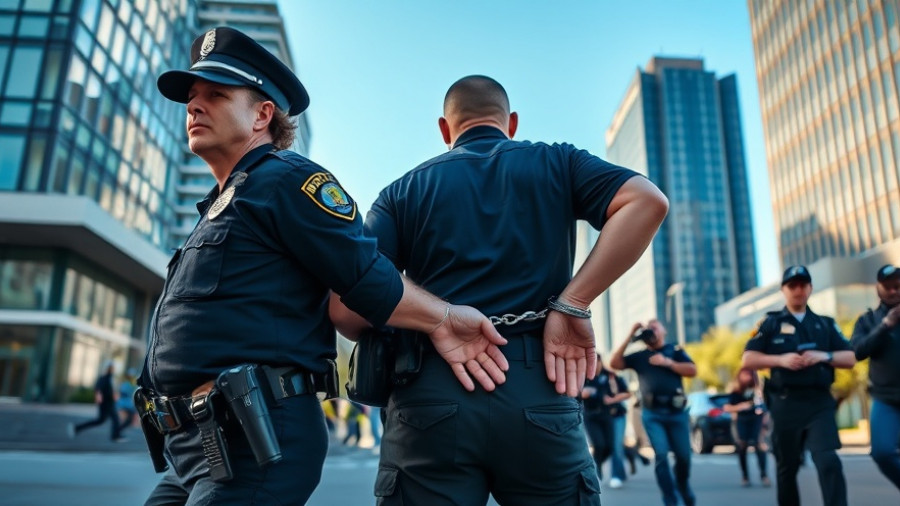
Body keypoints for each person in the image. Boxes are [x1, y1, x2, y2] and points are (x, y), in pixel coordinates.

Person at [139, 29, 508, 506]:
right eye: (191, 97)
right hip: (196, 446)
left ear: (262, 114)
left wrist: (442, 318)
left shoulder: (289, 180)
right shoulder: (222, 203)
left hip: (254, 437)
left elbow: (364, 274)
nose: (193, 106)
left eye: (215, 94)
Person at [330, 75, 668, 505]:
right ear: (511, 123)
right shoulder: (558, 162)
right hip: (542, 380)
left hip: (431, 390)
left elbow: (345, 310)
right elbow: (647, 201)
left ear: (445, 129)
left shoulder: (402, 192)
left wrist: (432, 314)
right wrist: (573, 303)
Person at [742, 265, 856, 506]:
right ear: (784, 290)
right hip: (785, 403)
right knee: (787, 468)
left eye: (803, 284)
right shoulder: (770, 323)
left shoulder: (825, 323)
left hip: (819, 403)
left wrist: (823, 356)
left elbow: (850, 358)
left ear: (810, 288)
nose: (798, 290)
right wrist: (780, 360)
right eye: (792, 285)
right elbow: (748, 358)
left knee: (828, 461)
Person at [610, 319, 697, 506]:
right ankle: (670, 500)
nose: (651, 330)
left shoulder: (675, 351)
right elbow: (614, 363)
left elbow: (692, 370)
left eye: (654, 327)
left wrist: (667, 362)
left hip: (677, 413)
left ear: (664, 330)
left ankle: (683, 486)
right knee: (662, 455)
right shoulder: (640, 356)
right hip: (652, 414)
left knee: (683, 457)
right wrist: (630, 334)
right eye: (647, 329)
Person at [851, 264, 900, 491]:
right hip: (885, 398)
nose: (893, 291)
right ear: (878, 289)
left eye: (897, 286)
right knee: (882, 452)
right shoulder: (868, 320)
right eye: (888, 287)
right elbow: (857, 352)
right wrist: (885, 326)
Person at [581, 356, 632, 489]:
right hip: (591, 415)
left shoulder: (610, 376)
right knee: (599, 445)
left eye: (596, 361)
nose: (594, 364)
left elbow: (627, 393)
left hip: (611, 414)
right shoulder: (583, 377)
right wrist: (582, 394)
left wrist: (612, 399)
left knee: (613, 446)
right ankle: (596, 472)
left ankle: (614, 473)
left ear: (600, 362)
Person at [723, 367, 769, 487]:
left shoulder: (758, 391)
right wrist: (740, 407)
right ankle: (745, 476)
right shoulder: (736, 392)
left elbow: (765, 407)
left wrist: (765, 421)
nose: (747, 377)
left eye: (749, 375)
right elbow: (727, 407)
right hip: (742, 420)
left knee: (759, 446)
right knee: (742, 446)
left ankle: (764, 475)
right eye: (745, 374)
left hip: (756, 420)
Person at [72, 361, 126, 442]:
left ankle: (77, 428)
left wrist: (115, 395)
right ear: (108, 369)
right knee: (109, 420)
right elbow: (98, 389)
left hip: (110, 403)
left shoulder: (112, 378)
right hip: (105, 403)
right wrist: (98, 396)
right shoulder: (104, 378)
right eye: (111, 368)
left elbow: (112, 390)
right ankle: (115, 436)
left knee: (106, 420)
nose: (112, 369)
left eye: (113, 368)